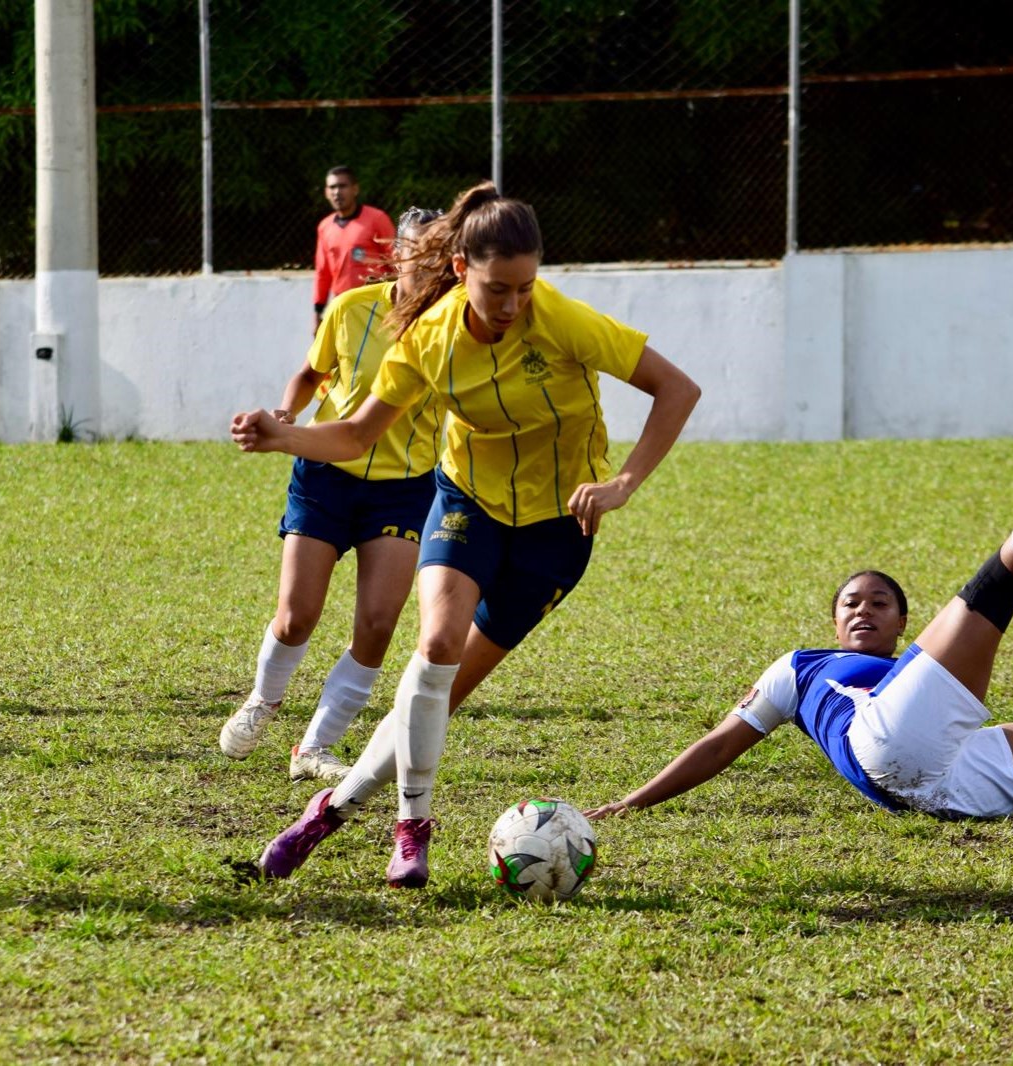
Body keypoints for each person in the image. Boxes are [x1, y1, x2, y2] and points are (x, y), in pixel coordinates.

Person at [231, 180, 702, 888]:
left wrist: (622, 482)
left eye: (525, 287)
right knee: (435, 645)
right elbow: (359, 432)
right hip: (468, 503)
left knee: (437, 694)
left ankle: (324, 813)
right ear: (460, 271)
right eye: (496, 289)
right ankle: (411, 828)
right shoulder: (428, 337)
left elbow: (678, 388)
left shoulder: (565, 322)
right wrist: (282, 437)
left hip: (556, 531)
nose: (513, 305)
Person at [585, 491, 1013, 824]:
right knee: (998, 582)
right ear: (834, 623)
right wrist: (631, 802)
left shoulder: (919, 680)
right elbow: (718, 746)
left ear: (903, 625)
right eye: (851, 603)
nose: (863, 611)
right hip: (887, 750)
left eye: (880, 604)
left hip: (964, 797)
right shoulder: (799, 668)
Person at [220, 208, 444, 784]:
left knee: (376, 625)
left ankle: (314, 746)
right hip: (324, 474)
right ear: (399, 255)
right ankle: (263, 701)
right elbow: (309, 374)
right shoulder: (350, 310)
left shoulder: (456, 327)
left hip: (403, 489)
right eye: (422, 256)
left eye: (444, 258)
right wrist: (287, 412)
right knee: (297, 617)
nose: (433, 269)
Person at [313, 165, 396, 334]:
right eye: (332, 187)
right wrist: (318, 311)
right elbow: (323, 273)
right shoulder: (325, 226)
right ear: (326, 192)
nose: (337, 192)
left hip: (376, 306)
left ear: (355, 189)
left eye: (342, 186)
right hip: (343, 306)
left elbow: (396, 261)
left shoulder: (377, 219)